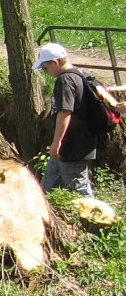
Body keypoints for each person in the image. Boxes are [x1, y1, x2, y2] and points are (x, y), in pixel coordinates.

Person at [34, 42, 99, 197]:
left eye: (45, 67)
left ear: (55, 62)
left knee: (79, 189)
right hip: (73, 143)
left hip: (72, 144)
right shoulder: (79, 73)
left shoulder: (65, 81)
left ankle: (97, 219)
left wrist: (57, 142)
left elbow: (65, 113)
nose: (46, 71)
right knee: (49, 184)